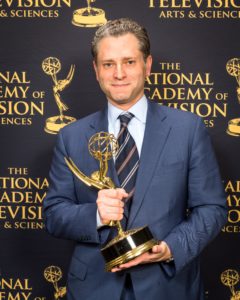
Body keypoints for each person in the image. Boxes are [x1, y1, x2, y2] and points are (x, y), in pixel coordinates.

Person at [43, 18, 227, 300]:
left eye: (129, 61)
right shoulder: (72, 136)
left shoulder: (187, 129)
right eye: (108, 64)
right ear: (96, 70)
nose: (119, 73)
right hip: (93, 289)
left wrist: (169, 248)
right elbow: (54, 214)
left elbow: (211, 209)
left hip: (168, 287)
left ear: (147, 65)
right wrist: (96, 215)